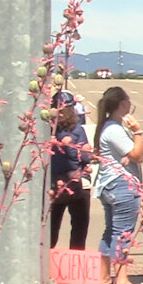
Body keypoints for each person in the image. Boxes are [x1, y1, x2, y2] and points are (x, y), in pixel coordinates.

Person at [94, 86, 143, 284]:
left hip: (109, 184)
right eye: (128, 102)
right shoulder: (115, 128)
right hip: (121, 185)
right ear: (122, 104)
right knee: (122, 233)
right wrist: (138, 132)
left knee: (111, 232)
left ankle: (104, 276)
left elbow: (124, 154)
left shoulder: (108, 127)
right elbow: (137, 155)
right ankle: (121, 280)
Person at [48, 102, 92, 250]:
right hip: (75, 182)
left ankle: (47, 260)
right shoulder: (77, 129)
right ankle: (75, 262)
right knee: (79, 226)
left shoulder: (49, 130)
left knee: (51, 227)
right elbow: (84, 157)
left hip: (53, 184)